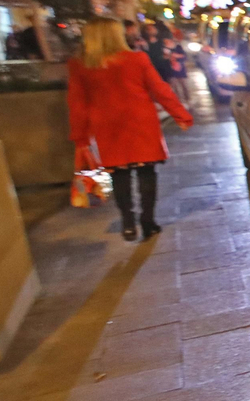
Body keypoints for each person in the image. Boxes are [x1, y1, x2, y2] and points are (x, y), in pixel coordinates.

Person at [68, 17, 193, 241]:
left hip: (107, 126)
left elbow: (77, 103)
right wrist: (180, 114)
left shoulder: (80, 65)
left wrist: (80, 137)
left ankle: (128, 221)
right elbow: (159, 89)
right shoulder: (136, 59)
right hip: (140, 122)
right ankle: (148, 220)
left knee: (119, 175)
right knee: (146, 172)